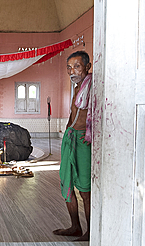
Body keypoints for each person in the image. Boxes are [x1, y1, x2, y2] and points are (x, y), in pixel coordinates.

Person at [53, 51, 92, 241]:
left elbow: (98, 114)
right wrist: (68, 130)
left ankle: (91, 231)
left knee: (85, 189)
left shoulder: (93, 87)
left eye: (77, 66)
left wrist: (92, 135)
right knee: (66, 183)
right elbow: (73, 114)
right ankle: (75, 226)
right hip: (71, 138)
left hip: (84, 141)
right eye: (69, 67)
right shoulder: (77, 87)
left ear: (87, 67)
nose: (72, 70)